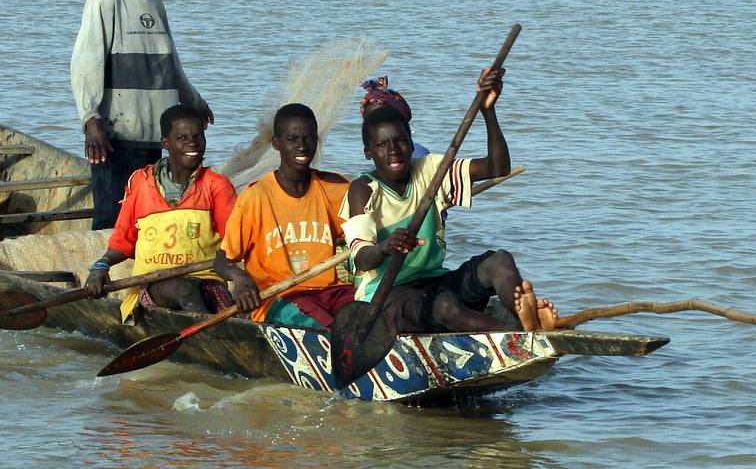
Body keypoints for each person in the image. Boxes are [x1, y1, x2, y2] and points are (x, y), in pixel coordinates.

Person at [342, 66, 557, 334]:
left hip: (433, 280)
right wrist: (386, 246)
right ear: (368, 152)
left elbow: (497, 167)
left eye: (400, 142)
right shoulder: (363, 189)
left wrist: (487, 112)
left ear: (411, 142)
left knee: (499, 260)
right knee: (445, 306)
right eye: (382, 145)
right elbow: (361, 260)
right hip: (385, 296)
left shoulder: (431, 169)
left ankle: (526, 320)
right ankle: (519, 331)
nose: (393, 150)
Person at [71, 0, 211, 229]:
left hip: (156, 136)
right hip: (117, 136)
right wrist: (90, 119)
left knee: (151, 219)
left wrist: (195, 102)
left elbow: (170, 61)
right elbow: (86, 62)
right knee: (113, 219)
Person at [86, 104, 236, 318]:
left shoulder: (217, 186)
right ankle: (210, 341)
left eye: (197, 136)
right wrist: (101, 266)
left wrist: (238, 275)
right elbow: (122, 242)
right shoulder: (140, 183)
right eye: (182, 138)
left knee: (224, 309)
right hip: (152, 284)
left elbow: (235, 241)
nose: (192, 143)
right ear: (165, 143)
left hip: (206, 280)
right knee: (186, 290)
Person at [216, 103, 355, 328]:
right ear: (276, 144)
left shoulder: (335, 188)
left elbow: (360, 237)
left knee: (368, 315)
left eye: (309, 138)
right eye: (293, 139)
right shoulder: (256, 197)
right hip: (278, 297)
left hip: (331, 290)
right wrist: (240, 280)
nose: (302, 146)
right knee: (328, 328)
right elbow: (222, 260)